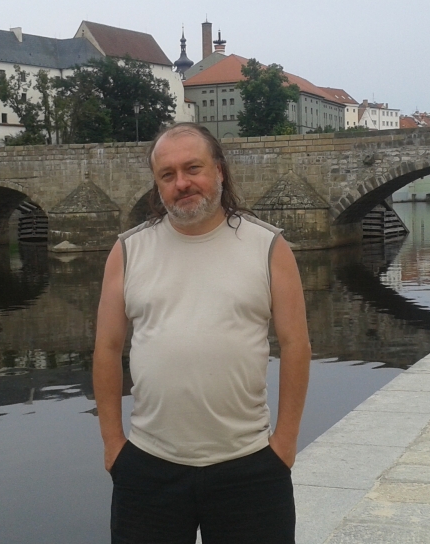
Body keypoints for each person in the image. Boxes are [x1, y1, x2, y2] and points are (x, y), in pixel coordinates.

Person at [93, 123, 311, 544]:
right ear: (157, 184)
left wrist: (284, 444)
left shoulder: (268, 247)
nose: (182, 183)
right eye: (167, 174)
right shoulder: (128, 251)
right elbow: (107, 348)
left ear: (219, 171)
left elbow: (296, 345)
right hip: (149, 466)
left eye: (193, 168)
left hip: (249, 465)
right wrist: (113, 445)